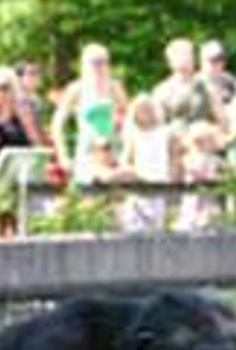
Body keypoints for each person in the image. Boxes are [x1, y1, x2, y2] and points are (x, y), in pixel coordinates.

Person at [51, 43, 131, 186]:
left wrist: (127, 146)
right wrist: (63, 155)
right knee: (91, 192)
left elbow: (130, 118)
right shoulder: (77, 89)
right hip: (88, 149)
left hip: (113, 148)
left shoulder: (115, 87)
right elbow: (57, 125)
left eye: (104, 62)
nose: (100, 67)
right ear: (84, 64)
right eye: (95, 62)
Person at [122, 96, 176, 230]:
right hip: (140, 182)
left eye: (148, 109)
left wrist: (173, 175)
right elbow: (127, 159)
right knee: (134, 222)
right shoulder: (133, 134)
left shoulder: (166, 132)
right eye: (141, 110)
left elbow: (173, 157)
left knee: (157, 222)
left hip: (160, 181)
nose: (145, 113)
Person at [152, 38, 223, 131]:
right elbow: (157, 127)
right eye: (181, 54)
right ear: (170, 62)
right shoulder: (161, 91)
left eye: (189, 54)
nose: (187, 58)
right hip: (177, 140)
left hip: (205, 138)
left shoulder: (207, 85)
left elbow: (222, 121)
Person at [0, 67, 37, 161]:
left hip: (24, 167)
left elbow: (38, 144)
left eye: (5, 88)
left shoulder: (24, 114)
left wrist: (28, 122)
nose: (1, 93)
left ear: (13, 89)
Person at [14, 61, 53, 150]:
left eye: (39, 73)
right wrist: (43, 149)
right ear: (20, 78)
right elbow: (30, 128)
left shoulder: (36, 99)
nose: (37, 76)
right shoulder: (20, 98)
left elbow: (39, 126)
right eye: (32, 73)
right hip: (23, 147)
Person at [200, 40, 236, 107]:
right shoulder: (196, 83)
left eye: (221, 58)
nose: (218, 63)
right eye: (213, 59)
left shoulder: (230, 81)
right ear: (202, 61)